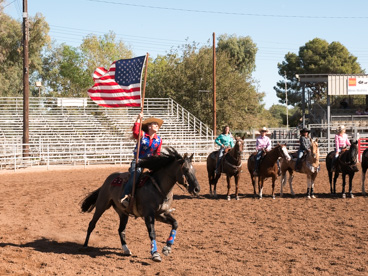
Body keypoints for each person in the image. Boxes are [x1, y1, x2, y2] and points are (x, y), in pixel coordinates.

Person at [120, 111, 163, 208]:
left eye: (157, 125)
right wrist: (138, 119)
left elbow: (157, 153)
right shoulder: (142, 135)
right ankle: (125, 196)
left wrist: (158, 164)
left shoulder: (159, 140)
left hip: (150, 162)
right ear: (149, 126)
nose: (157, 126)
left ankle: (160, 200)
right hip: (138, 161)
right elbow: (135, 132)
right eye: (154, 124)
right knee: (136, 174)